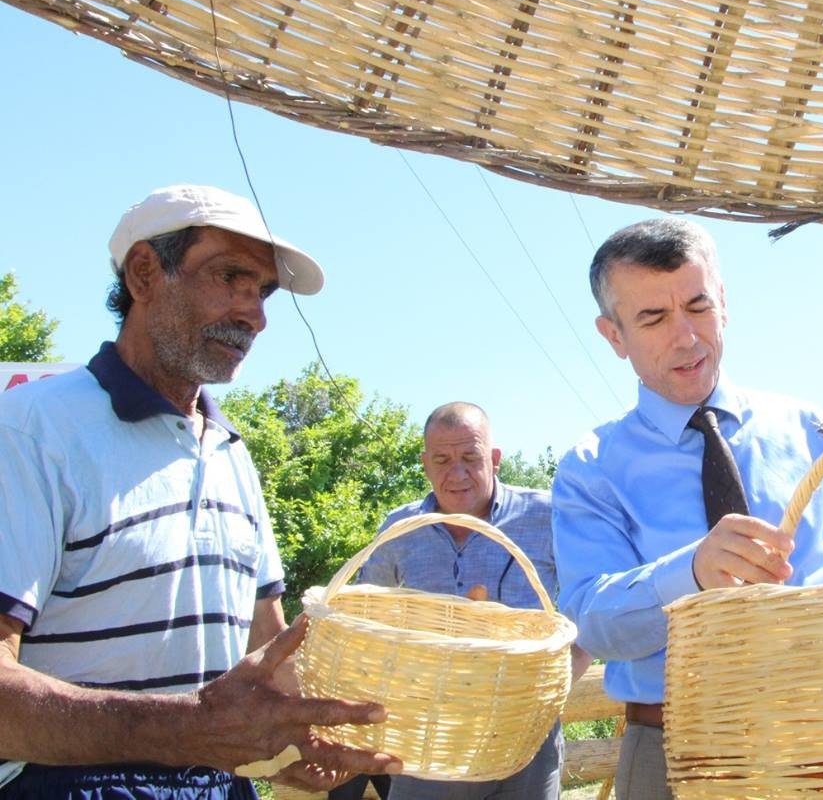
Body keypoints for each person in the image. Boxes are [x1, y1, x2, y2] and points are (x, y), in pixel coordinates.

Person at [0, 185, 402, 799]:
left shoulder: (230, 451)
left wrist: (293, 739)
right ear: (143, 274)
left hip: (219, 784)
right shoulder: (32, 428)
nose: (255, 314)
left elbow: (266, 641)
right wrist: (191, 729)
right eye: (230, 276)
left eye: (262, 291)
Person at [551, 218, 823, 800]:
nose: (685, 337)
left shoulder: (815, 433)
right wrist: (692, 575)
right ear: (613, 336)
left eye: (698, 305)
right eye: (653, 318)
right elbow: (593, 621)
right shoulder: (590, 468)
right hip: (672, 754)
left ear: (725, 303)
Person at [357, 401, 590, 800]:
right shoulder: (400, 529)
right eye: (443, 459)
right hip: (430, 746)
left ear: (495, 458)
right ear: (425, 463)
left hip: (527, 742)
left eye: (470, 457)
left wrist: (552, 689)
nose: (457, 472)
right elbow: (364, 616)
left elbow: (590, 605)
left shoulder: (547, 516)